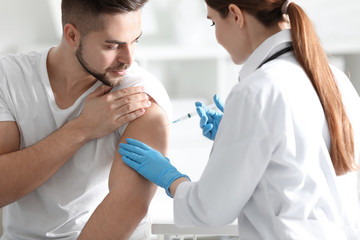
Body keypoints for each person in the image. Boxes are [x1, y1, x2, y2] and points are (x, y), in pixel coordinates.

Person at [119, 0, 360, 239]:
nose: (217, 37)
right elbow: (301, 166)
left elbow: (210, 210)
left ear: (235, 15)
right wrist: (237, 135)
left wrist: (171, 178)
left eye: (213, 23)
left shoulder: (256, 90)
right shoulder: (335, 79)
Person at [0, 0, 172, 239]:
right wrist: (82, 129)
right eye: (113, 46)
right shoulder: (9, 78)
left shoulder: (139, 95)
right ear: (72, 35)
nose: (129, 59)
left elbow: (129, 205)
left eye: (135, 41)